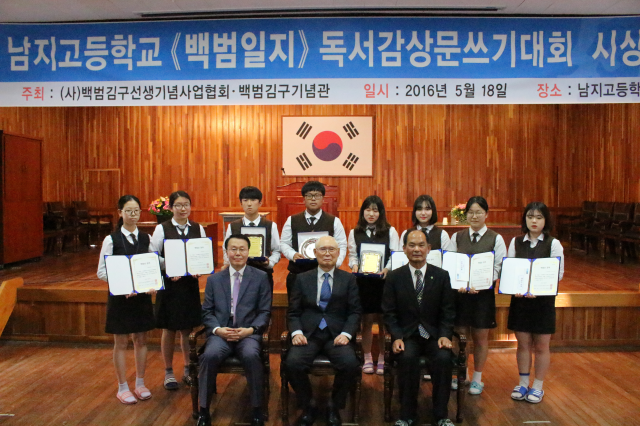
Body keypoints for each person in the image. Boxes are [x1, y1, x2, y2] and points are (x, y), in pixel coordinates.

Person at [284, 236, 362, 426]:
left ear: (338, 253)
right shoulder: (302, 279)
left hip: (337, 335)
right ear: (315, 252)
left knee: (350, 364)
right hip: (308, 334)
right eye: (323, 249)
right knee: (292, 363)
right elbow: (293, 312)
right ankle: (308, 404)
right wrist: (296, 332)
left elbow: (354, 312)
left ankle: (334, 406)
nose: (327, 253)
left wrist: (347, 334)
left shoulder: (349, 279)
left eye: (331, 249)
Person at [382, 229, 456, 426]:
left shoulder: (441, 276)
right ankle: (407, 415)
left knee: (443, 358)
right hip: (407, 335)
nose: (417, 249)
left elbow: (448, 311)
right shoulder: (395, 277)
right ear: (404, 249)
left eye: (421, 245)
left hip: (434, 335)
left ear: (429, 248)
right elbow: (389, 312)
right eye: (412, 245)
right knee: (407, 358)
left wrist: (445, 335)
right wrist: (397, 336)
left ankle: (441, 415)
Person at [196, 234, 272, 426]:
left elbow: (264, 311)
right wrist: (217, 330)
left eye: (242, 249)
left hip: (248, 333)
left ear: (248, 252)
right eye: (233, 249)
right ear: (226, 252)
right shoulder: (214, 280)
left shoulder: (261, 277)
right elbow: (207, 312)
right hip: (221, 333)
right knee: (209, 355)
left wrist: (251, 330)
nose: (238, 253)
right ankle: (203, 410)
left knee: (251, 356)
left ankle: (257, 409)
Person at [97, 195, 156, 405]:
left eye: (136, 211)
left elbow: (153, 264)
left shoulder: (146, 238)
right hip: (120, 298)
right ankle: (122, 387)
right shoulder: (111, 240)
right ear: (120, 213)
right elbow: (102, 271)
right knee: (121, 342)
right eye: (128, 211)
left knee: (141, 340)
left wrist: (154, 282)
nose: (133, 215)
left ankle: (140, 383)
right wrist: (122, 286)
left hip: (141, 298)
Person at [150, 190, 208, 390]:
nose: (183, 209)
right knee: (169, 329)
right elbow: (152, 254)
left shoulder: (198, 228)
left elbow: (202, 254)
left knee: (187, 328)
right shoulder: (161, 229)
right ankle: (168, 372)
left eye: (186, 205)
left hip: (189, 285)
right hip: (170, 285)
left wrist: (199, 268)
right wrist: (169, 266)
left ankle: (187, 368)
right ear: (171, 208)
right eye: (178, 205)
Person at [449, 196, 506, 395]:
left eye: (478, 212)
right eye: (471, 212)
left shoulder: (496, 238)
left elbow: (499, 267)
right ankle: (461, 374)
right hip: (461, 295)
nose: (474, 216)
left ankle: (477, 378)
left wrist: (482, 283)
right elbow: (451, 264)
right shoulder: (457, 237)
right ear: (466, 215)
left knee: (481, 338)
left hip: (483, 296)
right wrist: (459, 283)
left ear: (486, 214)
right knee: (460, 337)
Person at [507, 202, 564, 404]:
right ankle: (523, 383)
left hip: (543, 302)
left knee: (541, 346)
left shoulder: (554, 244)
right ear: (525, 219)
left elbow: (557, 273)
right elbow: (510, 269)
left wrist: (537, 289)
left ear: (546, 221)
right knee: (522, 344)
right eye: (530, 217)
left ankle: (538, 386)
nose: (534, 221)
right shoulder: (515, 242)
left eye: (539, 217)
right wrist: (518, 287)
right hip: (521, 301)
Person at [348, 195, 399, 375]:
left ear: (381, 213)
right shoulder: (354, 232)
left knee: (384, 321)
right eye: (368, 210)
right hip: (363, 282)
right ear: (363, 212)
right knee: (367, 321)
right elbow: (352, 255)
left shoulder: (390, 231)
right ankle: (368, 357)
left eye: (375, 210)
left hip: (384, 282)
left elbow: (395, 254)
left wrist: (387, 269)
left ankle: (383, 357)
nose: (371, 214)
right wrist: (354, 265)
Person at [280, 181, 348, 298]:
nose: (313, 199)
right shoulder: (292, 220)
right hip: (298, 272)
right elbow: (284, 243)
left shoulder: (334, 221)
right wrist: (293, 255)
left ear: (323, 199)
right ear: (303, 199)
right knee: (296, 305)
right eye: (309, 195)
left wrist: (336, 263)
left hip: (326, 274)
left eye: (317, 195)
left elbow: (341, 244)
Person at [222, 186, 281, 289]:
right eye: (245, 200)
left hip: (263, 272)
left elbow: (277, 250)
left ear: (260, 203)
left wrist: (269, 263)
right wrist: (231, 263)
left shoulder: (271, 225)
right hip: (238, 273)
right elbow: (225, 249)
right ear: (241, 203)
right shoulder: (233, 226)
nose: (249, 204)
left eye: (253, 200)